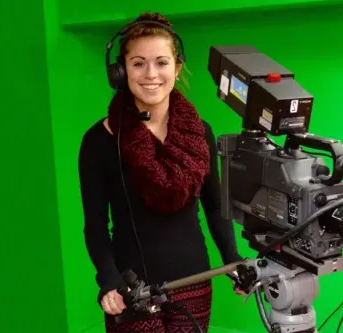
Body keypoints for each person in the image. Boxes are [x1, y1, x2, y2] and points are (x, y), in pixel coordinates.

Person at [78, 11, 244, 333]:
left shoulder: (200, 133)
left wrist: (231, 257)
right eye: (138, 63)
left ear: (177, 67)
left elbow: (213, 205)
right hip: (133, 293)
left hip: (194, 282)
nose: (151, 74)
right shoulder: (99, 140)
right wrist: (109, 280)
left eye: (161, 62)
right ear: (121, 72)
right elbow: (96, 225)